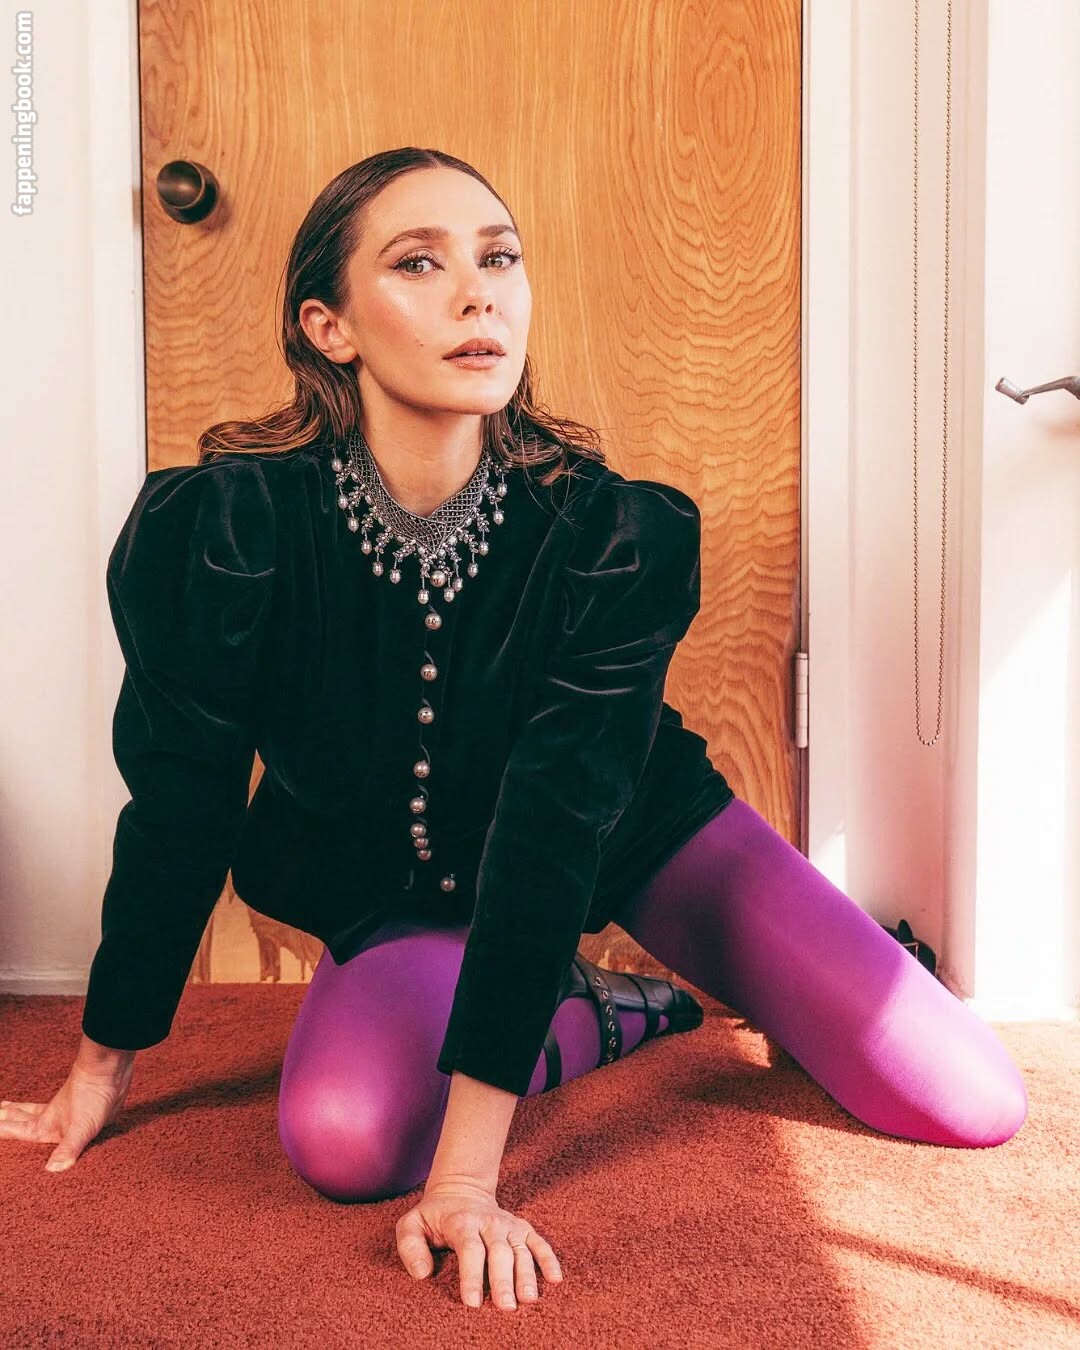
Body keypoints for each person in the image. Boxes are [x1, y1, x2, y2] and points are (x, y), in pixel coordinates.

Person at [1, 148, 1028, 1313]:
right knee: (341, 1142)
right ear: (329, 327)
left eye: (498, 260)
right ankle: (599, 1004)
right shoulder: (226, 528)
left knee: (973, 1103)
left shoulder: (608, 533)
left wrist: (468, 1182)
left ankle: (761, 968)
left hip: (631, 834)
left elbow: (555, 820)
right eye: (418, 264)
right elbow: (181, 798)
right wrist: (102, 1061)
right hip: (389, 885)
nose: (477, 295)